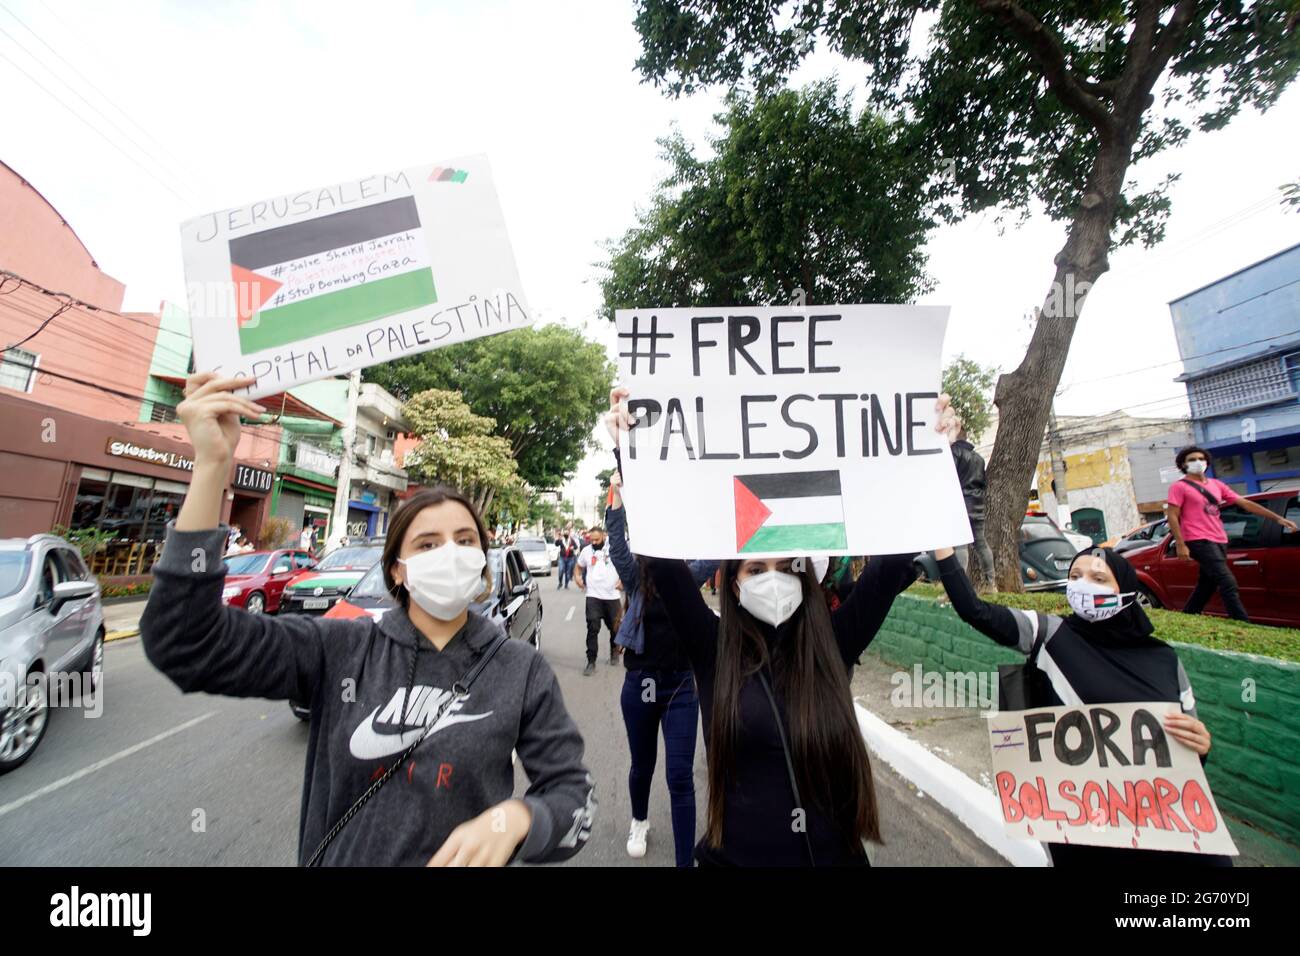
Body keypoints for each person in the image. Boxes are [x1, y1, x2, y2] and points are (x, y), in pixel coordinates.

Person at [140, 371, 595, 866]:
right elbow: (184, 642)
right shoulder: (337, 649)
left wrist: (518, 819)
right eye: (427, 543)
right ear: (398, 570)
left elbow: (574, 800)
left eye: (466, 541)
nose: (451, 553)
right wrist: (211, 466)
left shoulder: (520, 670)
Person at [607, 385, 962, 866]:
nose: (772, 579)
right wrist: (633, 454)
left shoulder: (832, 642)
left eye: (786, 566)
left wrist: (935, 451)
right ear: (732, 585)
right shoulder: (713, 650)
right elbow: (662, 564)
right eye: (755, 570)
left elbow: (893, 558)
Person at [930, 541, 1230, 867]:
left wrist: (1201, 745)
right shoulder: (1047, 634)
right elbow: (975, 610)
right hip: (1086, 830)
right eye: (1075, 575)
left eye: (1098, 579)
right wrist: (943, 551)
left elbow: (1189, 756)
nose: (1083, 585)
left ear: (1126, 589)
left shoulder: (1165, 660)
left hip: (1164, 826)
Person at [605, 465, 717, 865]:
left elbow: (717, 552)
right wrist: (616, 499)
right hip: (640, 686)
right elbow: (616, 545)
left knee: (680, 776)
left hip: (682, 688)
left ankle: (685, 861)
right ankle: (640, 819)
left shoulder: (689, 576)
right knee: (643, 766)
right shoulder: (636, 578)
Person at [1166, 445, 1296, 622]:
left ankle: (1188, 616)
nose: (1197, 462)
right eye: (1191, 460)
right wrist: (1180, 543)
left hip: (1219, 539)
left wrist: (1277, 518)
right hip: (1197, 539)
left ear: (1207, 462)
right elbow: (1172, 515)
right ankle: (1242, 622)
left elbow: (1245, 503)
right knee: (1227, 581)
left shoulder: (1217, 485)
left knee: (1208, 583)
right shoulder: (1179, 487)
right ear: (1183, 464)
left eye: (1200, 459)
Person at [950, 428, 994, 589]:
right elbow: (983, 482)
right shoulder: (979, 458)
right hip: (978, 505)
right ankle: (991, 584)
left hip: (961, 504)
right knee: (981, 544)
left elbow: (950, 476)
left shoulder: (954, 452)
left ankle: (960, 586)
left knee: (961, 545)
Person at [574, 525, 621, 675]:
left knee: (615, 628)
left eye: (597, 539)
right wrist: (577, 577)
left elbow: (625, 565)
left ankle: (614, 652)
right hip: (593, 595)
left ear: (603, 537)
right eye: (591, 540)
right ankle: (591, 662)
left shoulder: (613, 550)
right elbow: (578, 567)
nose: (594, 542)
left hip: (612, 596)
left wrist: (623, 580)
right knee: (592, 628)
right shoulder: (586, 551)